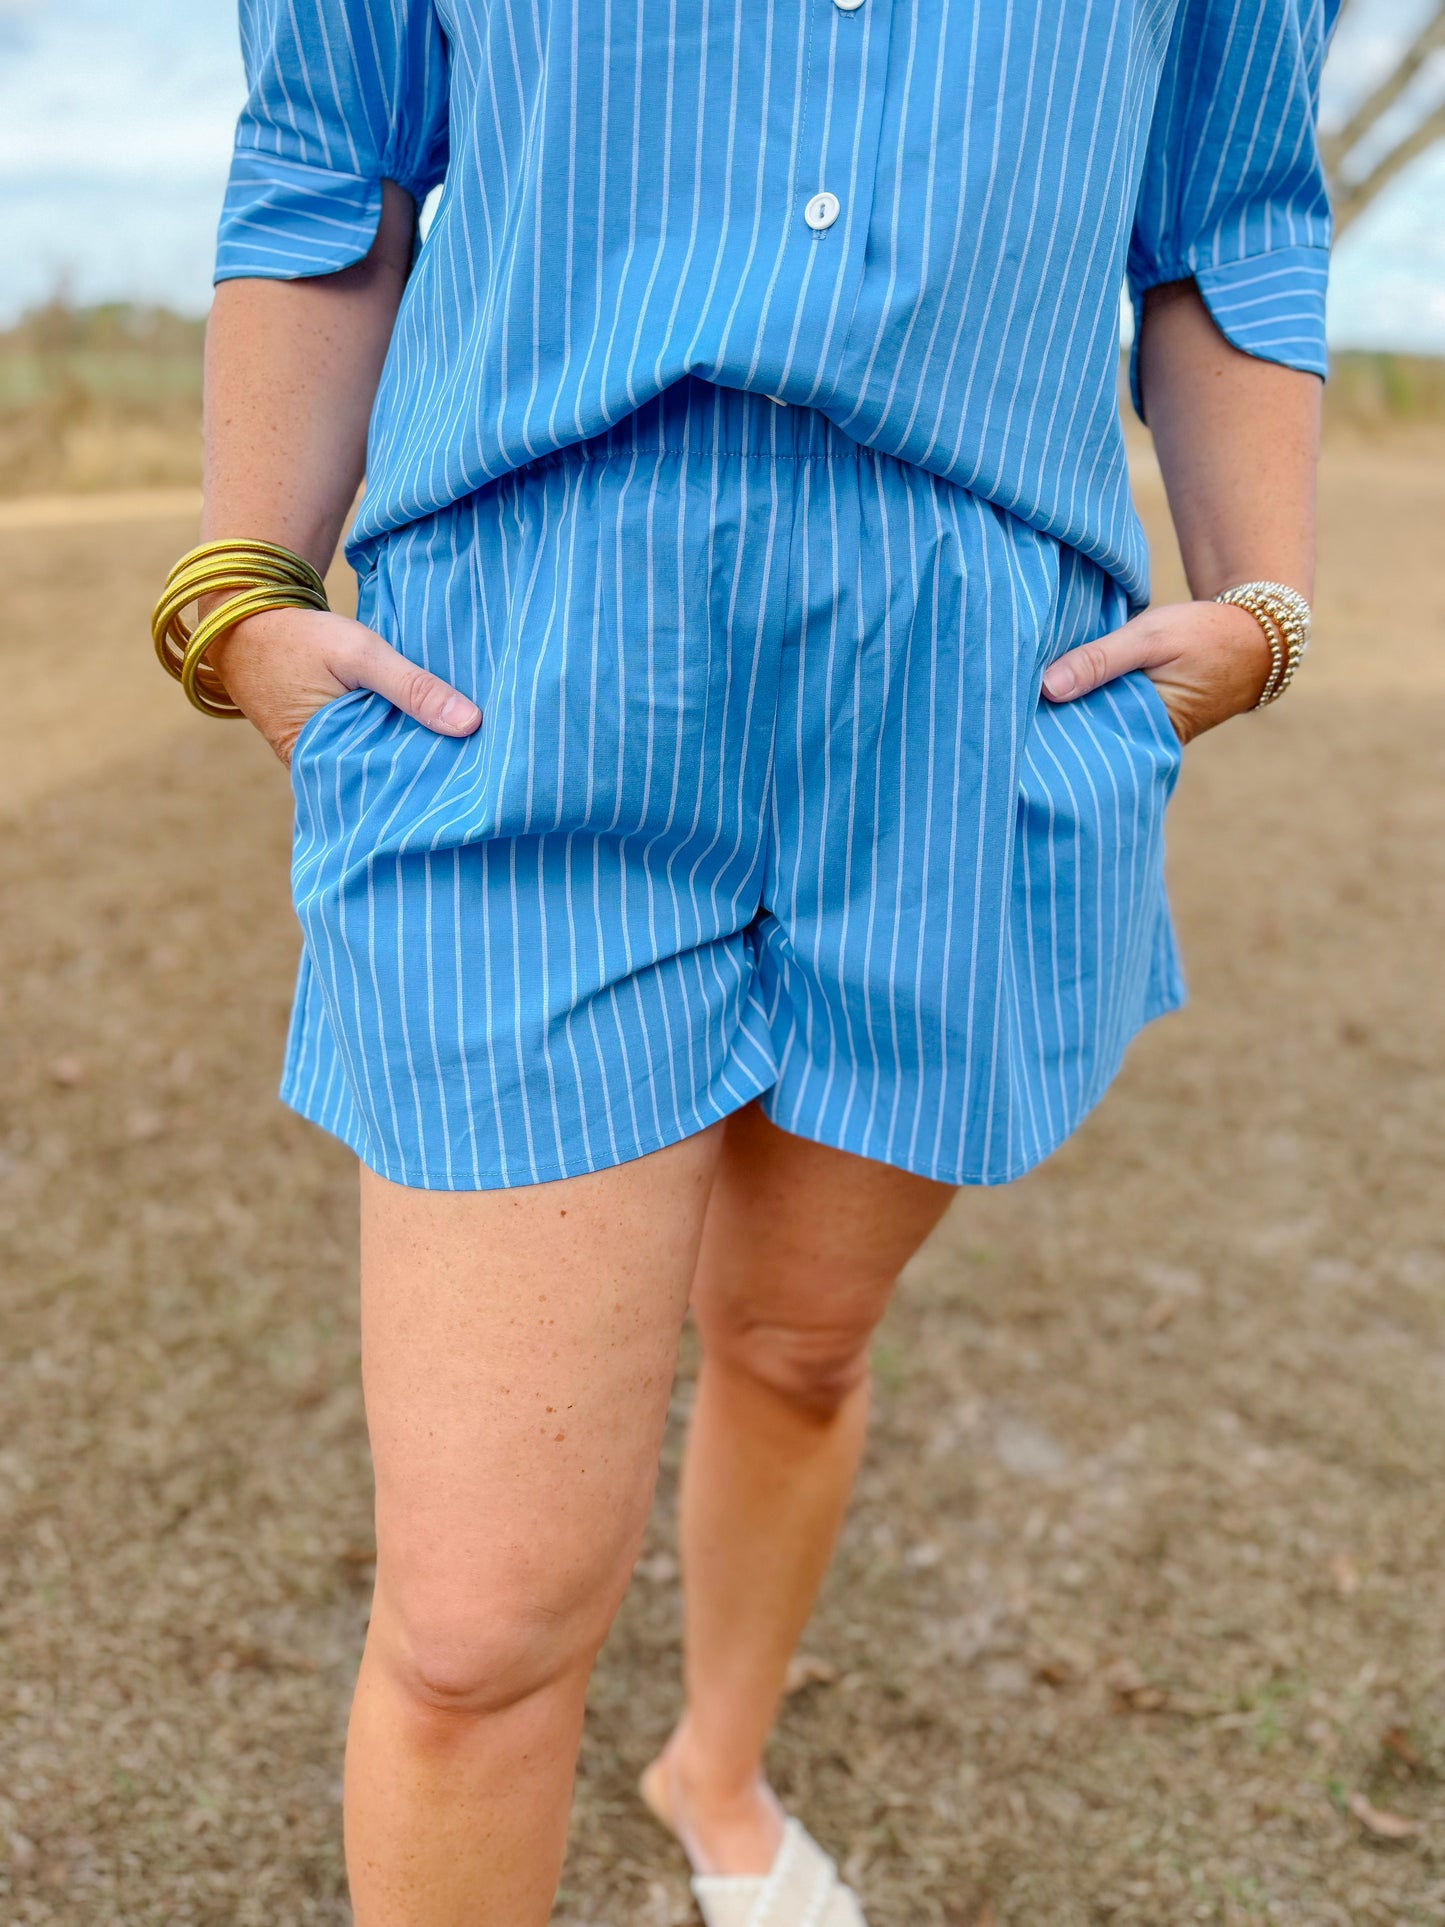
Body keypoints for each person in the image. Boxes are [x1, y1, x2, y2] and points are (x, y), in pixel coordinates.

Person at [163, 2, 1336, 1919]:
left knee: (796, 1343)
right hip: (520, 697)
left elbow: (1230, 221)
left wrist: (1260, 604)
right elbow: (330, 161)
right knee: (469, 1635)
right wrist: (233, 592)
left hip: (974, 715)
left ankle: (713, 1766)